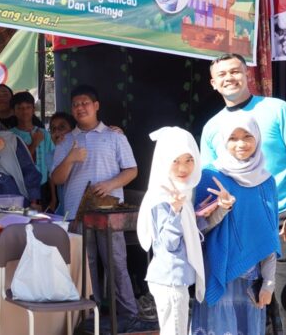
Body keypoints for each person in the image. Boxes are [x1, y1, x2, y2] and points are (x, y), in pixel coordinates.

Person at [200, 53, 286, 334]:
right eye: (222, 74)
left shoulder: (276, 109)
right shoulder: (211, 128)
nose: (229, 78)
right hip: (238, 230)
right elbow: (207, 183)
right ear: (213, 83)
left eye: (235, 71)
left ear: (247, 74)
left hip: (285, 220)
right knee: (248, 308)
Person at [50, 84, 148, 332]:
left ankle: (129, 315)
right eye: (75, 104)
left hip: (108, 214)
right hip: (76, 215)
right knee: (85, 266)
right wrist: (71, 158)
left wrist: (110, 184)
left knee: (116, 263)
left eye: (85, 103)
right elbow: (57, 179)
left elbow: (132, 170)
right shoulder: (66, 142)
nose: (80, 107)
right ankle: (88, 317)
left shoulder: (115, 136)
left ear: (96, 106)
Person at [192, 114, 281, 335]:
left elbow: (270, 236)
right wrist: (222, 208)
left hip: (252, 277)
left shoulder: (267, 181)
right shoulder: (209, 176)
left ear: (257, 139)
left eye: (247, 136)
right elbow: (198, 231)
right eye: (232, 138)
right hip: (218, 271)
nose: (241, 144)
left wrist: (269, 283)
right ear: (223, 141)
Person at [137, 127, 210, 335]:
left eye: (189, 159)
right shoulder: (164, 197)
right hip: (170, 280)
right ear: (163, 161)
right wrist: (177, 211)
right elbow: (169, 243)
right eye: (175, 161)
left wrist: (199, 215)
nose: (183, 167)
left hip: (175, 279)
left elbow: (187, 235)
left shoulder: (181, 193)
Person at [10, 91, 54, 209]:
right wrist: (34, 143)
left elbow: (51, 168)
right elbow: (16, 163)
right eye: (20, 108)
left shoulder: (44, 134)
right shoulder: (10, 136)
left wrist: (54, 198)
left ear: (33, 109)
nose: (24, 111)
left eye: (28, 107)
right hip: (20, 188)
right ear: (14, 111)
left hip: (44, 188)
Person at [48, 111, 76, 215]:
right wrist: (54, 199)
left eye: (62, 127)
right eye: (53, 129)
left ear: (73, 130)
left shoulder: (80, 148)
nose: (57, 132)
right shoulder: (50, 155)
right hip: (65, 206)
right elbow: (54, 178)